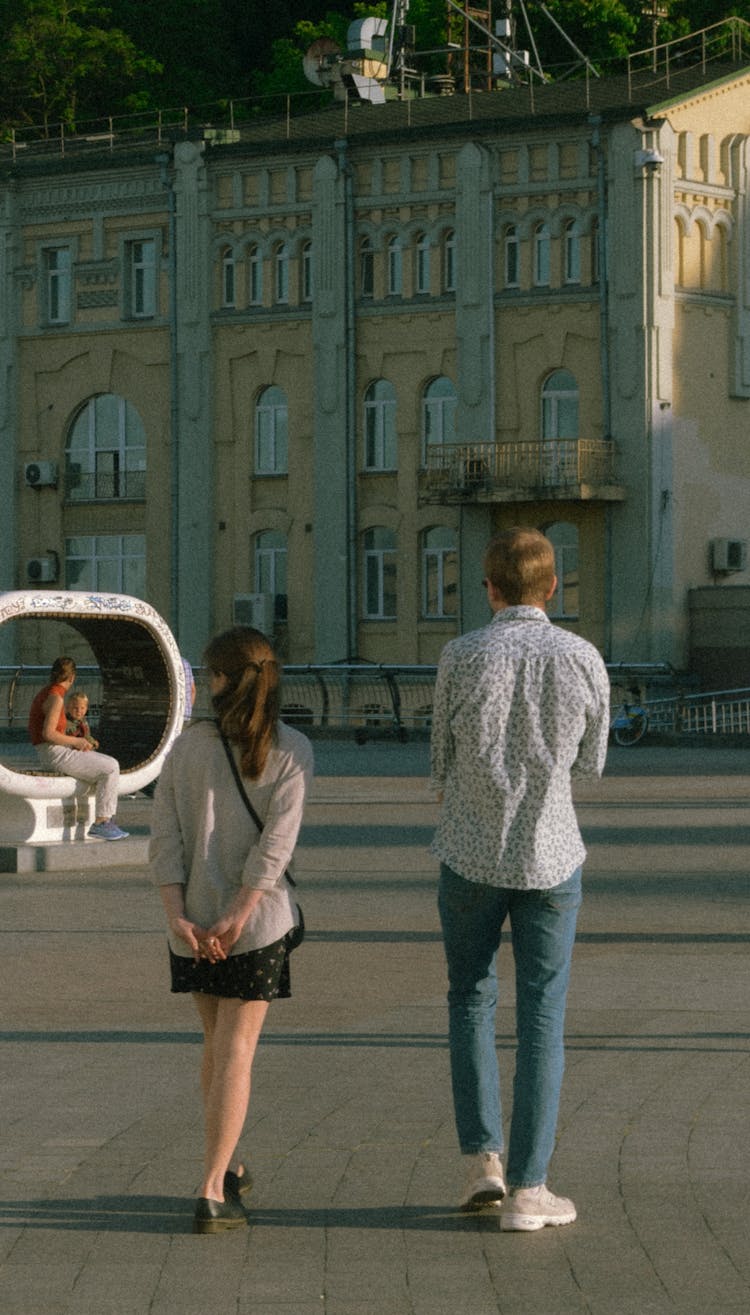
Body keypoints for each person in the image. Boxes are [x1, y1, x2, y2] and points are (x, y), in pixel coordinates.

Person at [430, 527, 610, 1231]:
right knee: (543, 1013)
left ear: (490, 588)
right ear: (553, 586)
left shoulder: (460, 654)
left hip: (469, 851)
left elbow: (440, 758)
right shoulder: (583, 657)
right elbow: (593, 763)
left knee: (469, 996)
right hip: (551, 852)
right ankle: (533, 1188)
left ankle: (484, 1161)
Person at [149, 625, 313, 1235]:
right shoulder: (292, 749)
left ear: (217, 682)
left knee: (217, 1046)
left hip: (191, 924)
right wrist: (238, 917)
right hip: (255, 923)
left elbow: (163, 843)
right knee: (236, 1050)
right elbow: (275, 849)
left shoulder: (185, 751)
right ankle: (214, 1187)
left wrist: (178, 917)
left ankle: (230, 1161)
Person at [28, 657, 129, 841]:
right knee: (111, 767)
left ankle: (103, 821)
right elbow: (48, 733)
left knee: (101, 762)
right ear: (72, 677)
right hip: (54, 752)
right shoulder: (56, 698)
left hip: (50, 752)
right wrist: (77, 742)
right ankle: (102, 822)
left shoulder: (46, 692)